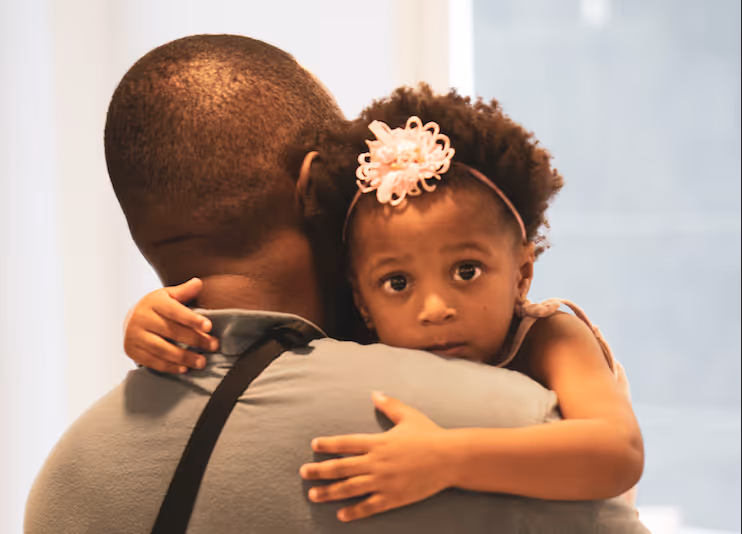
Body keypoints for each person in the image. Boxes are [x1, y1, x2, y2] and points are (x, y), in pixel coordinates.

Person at [25, 35, 648, 534]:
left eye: (466, 271)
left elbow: (617, 448)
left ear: (524, 270)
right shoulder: (515, 420)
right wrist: (149, 321)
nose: (436, 309)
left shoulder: (63, 478)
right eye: (397, 281)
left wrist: (449, 457)